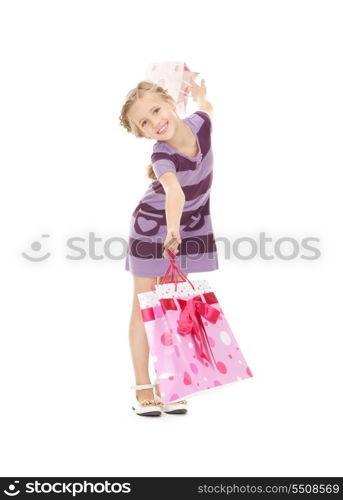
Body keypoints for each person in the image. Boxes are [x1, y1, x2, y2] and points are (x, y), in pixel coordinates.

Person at [119, 77, 219, 416]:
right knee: (145, 305)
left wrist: (201, 94)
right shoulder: (162, 154)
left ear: (171, 104)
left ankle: (168, 384)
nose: (154, 122)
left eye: (156, 110)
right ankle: (143, 385)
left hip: (185, 228)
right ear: (142, 133)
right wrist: (171, 230)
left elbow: (207, 109)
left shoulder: (199, 125)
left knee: (171, 306)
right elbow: (173, 193)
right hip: (154, 230)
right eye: (144, 122)